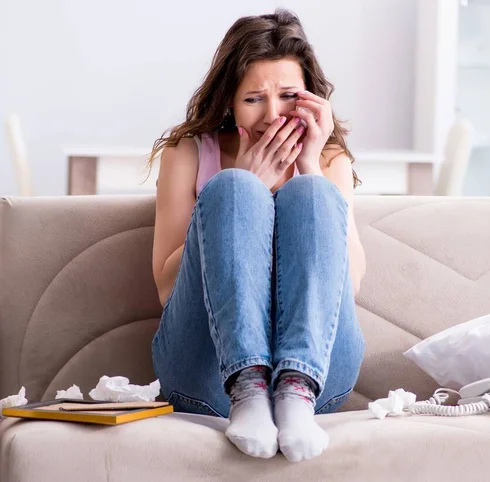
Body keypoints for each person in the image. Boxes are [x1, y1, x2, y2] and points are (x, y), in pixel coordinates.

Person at [149, 9, 366, 463]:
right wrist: (244, 184)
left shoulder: (329, 160)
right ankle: (247, 384)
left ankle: (295, 387)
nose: (273, 115)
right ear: (229, 100)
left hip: (319, 381)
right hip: (207, 376)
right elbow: (169, 288)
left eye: (289, 96)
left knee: (312, 192)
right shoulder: (188, 152)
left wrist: (307, 168)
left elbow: (353, 283)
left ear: (311, 97)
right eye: (254, 99)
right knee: (232, 186)